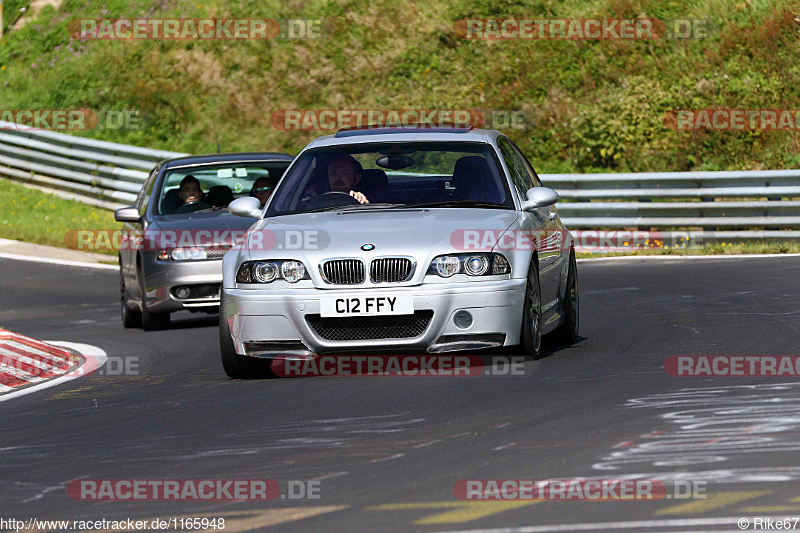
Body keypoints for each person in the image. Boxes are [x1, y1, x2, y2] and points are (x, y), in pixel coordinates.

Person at [303, 155, 369, 204]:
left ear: (357, 178)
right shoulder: (314, 195)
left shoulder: (368, 197)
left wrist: (364, 204)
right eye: (333, 174)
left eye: (344, 173)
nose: (338, 178)